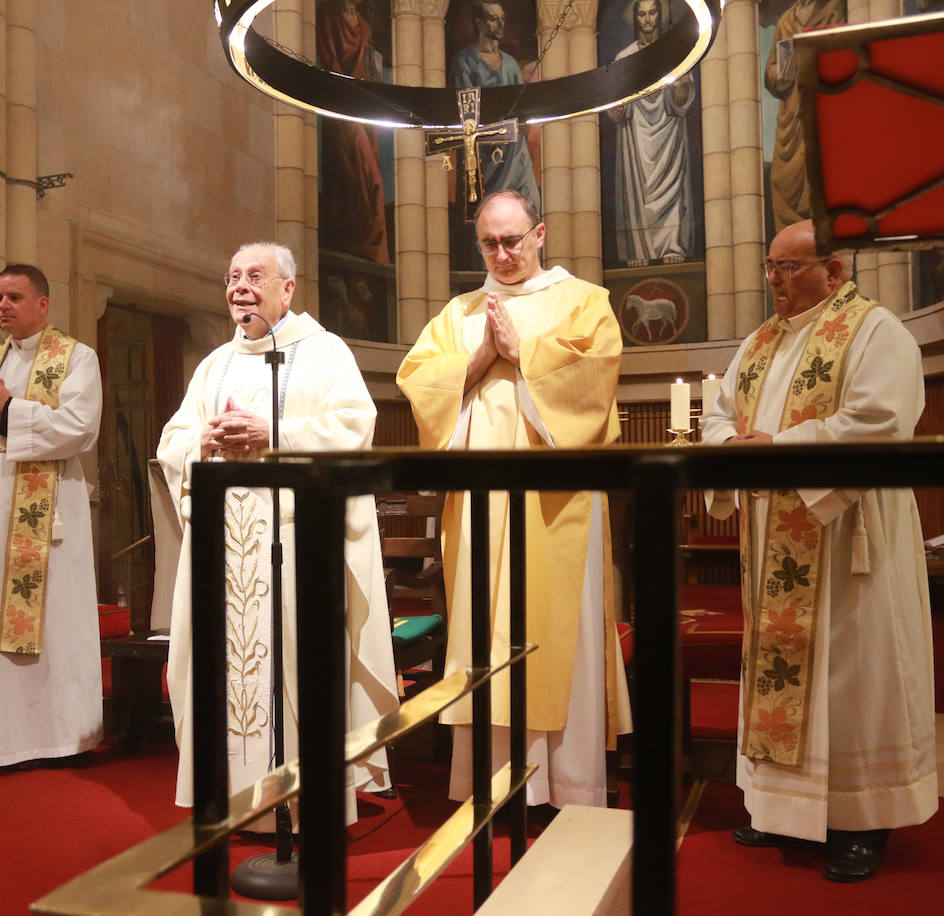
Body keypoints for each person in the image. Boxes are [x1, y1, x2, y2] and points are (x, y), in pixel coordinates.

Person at [700, 219, 936, 882]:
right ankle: (778, 807)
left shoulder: (873, 331)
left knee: (855, 679)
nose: (775, 280)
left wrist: (776, 450)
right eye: (771, 267)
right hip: (775, 529)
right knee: (782, 675)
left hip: (849, 537)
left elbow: (880, 421)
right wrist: (728, 451)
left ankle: (862, 821)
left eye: (791, 267)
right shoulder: (758, 343)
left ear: (833, 271)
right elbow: (720, 416)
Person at [396, 190, 630, 811]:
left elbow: (595, 377)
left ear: (541, 233)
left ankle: (568, 784)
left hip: (559, 507)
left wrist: (524, 354)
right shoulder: (459, 313)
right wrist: (480, 357)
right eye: (489, 244)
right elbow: (417, 382)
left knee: (558, 634)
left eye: (514, 240)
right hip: (479, 510)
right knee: (485, 633)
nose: (502, 254)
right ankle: (495, 786)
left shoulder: (584, 301)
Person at [156, 242, 398, 827]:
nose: (240, 286)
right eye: (232, 276)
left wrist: (274, 433)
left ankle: (303, 805)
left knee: (297, 670)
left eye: (255, 276)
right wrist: (204, 443)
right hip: (225, 547)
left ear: (287, 289)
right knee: (223, 670)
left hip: (296, 541)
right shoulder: (213, 365)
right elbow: (172, 441)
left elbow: (354, 426)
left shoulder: (325, 353)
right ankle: (235, 802)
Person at [0, 264, 104, 768]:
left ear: (42, 304)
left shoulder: (76, 357)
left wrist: (9, 409)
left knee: (53, 621)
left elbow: (79, 428)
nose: (3, 306)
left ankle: (55, 738)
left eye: (14, 297)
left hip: (47, 515)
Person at [606, 0, 696, 267]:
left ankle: (672, 244)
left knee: (672, 184)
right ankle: (639, 248)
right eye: (642, 14)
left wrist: (680, 85)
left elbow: (683, 101)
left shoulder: (675, 52)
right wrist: (619, 103)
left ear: (660, 15)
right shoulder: (625, 57)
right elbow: (615, 111)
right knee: (638, 188)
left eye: (652, 13)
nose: (647, 19)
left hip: (668, 131)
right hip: (635, 135)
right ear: (636, 18)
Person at [448, 0, 541, 209]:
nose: (500, 24)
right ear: (479, 23)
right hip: (484, 150)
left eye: (502, 19)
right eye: (493, 19)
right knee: (490, 207)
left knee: (530, 205)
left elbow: (521, 105)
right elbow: (467, 110)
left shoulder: (510, 63)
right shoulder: (464, 61)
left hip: (515, 150)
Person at [318, 0, 391, 263]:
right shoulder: (328, 17)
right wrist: (348, 94)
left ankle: (373, 247)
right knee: (363, 176)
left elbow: (371, 67)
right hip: (341, 108)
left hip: (364, 107)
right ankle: (360, 243)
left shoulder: (365, 26)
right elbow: (329, 63)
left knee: (372, 176)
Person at [764, 0, 845, 233]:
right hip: (792, 113)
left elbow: (845, 53)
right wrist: (781, 74)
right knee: (782, 178)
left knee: (820, 171)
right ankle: (791, 242)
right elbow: (772, 70)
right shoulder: (786, 20)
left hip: (821, 106)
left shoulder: (834, 9)